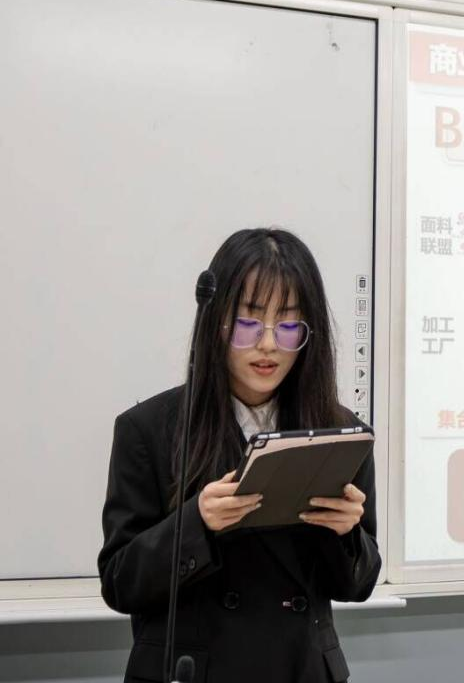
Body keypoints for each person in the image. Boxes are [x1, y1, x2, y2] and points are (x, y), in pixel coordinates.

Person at [98, 228, 380, 683]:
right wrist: (197, 522)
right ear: (217, 323)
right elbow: (119, 582)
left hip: (299, 669)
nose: (268, 344)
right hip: (196, 671)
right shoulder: (149, 429)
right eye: (248, 324)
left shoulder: (340, 433)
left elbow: (359, 585)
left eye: (288, 326)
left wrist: (347, 534)